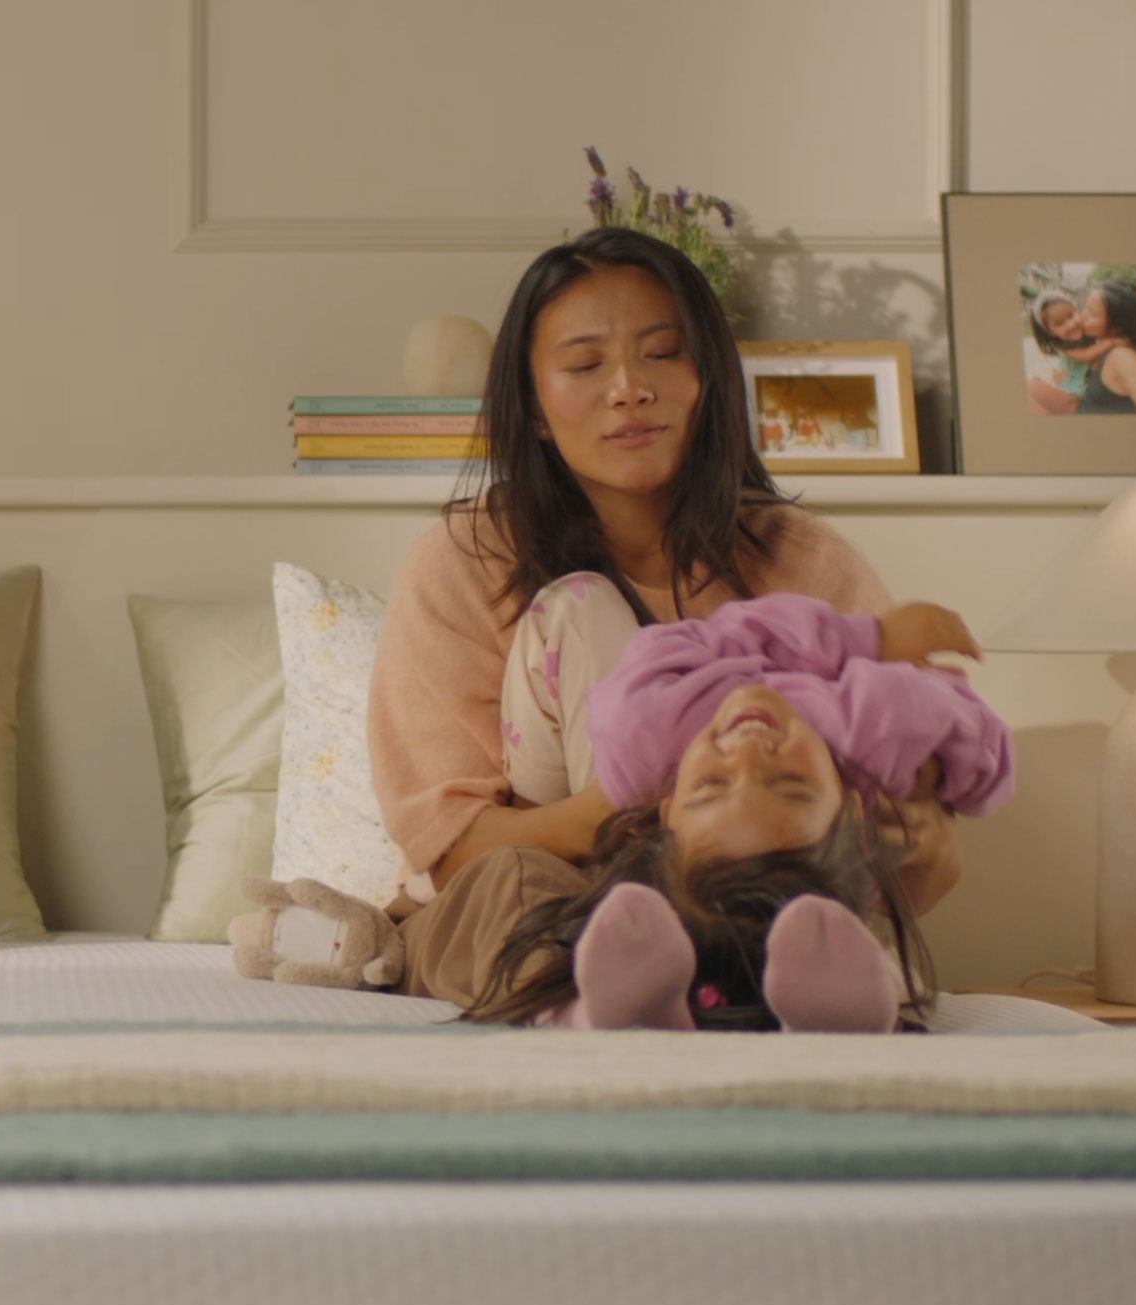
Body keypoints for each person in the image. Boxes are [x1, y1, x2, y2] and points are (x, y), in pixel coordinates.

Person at [363, 226, 960, 1013]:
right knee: (520, 891)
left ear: (707, 377)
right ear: (535, 409)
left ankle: (762, 975)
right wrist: (636, 815)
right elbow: (451, 848)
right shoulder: (463, 562)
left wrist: (897, 834)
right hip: (534, 894)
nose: (628, 389)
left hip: (747, 896)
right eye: (584, 365)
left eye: (663, 353)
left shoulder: (806, 566)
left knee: (808, 913)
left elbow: (923, 859)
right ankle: (615, 992)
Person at [479, 589, 1013, 1032]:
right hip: (638, 915)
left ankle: (627, 1009)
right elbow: (982, 749)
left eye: (711, 784)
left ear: (663, 811)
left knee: (807, 935)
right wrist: (868, 641)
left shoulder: (651, 731)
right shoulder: (870, 731)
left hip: (736, 918)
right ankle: (610, 1005)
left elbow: (689, 643)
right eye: (792, 784)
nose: (749, 751)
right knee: (531, 909)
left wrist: (941, 792)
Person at [1075, 280, 1136, 414]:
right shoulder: (1099, 344)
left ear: (1116, 327)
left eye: (1092, 314)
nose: (1081, 318)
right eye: (1086, 308)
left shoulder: (1123, 357)